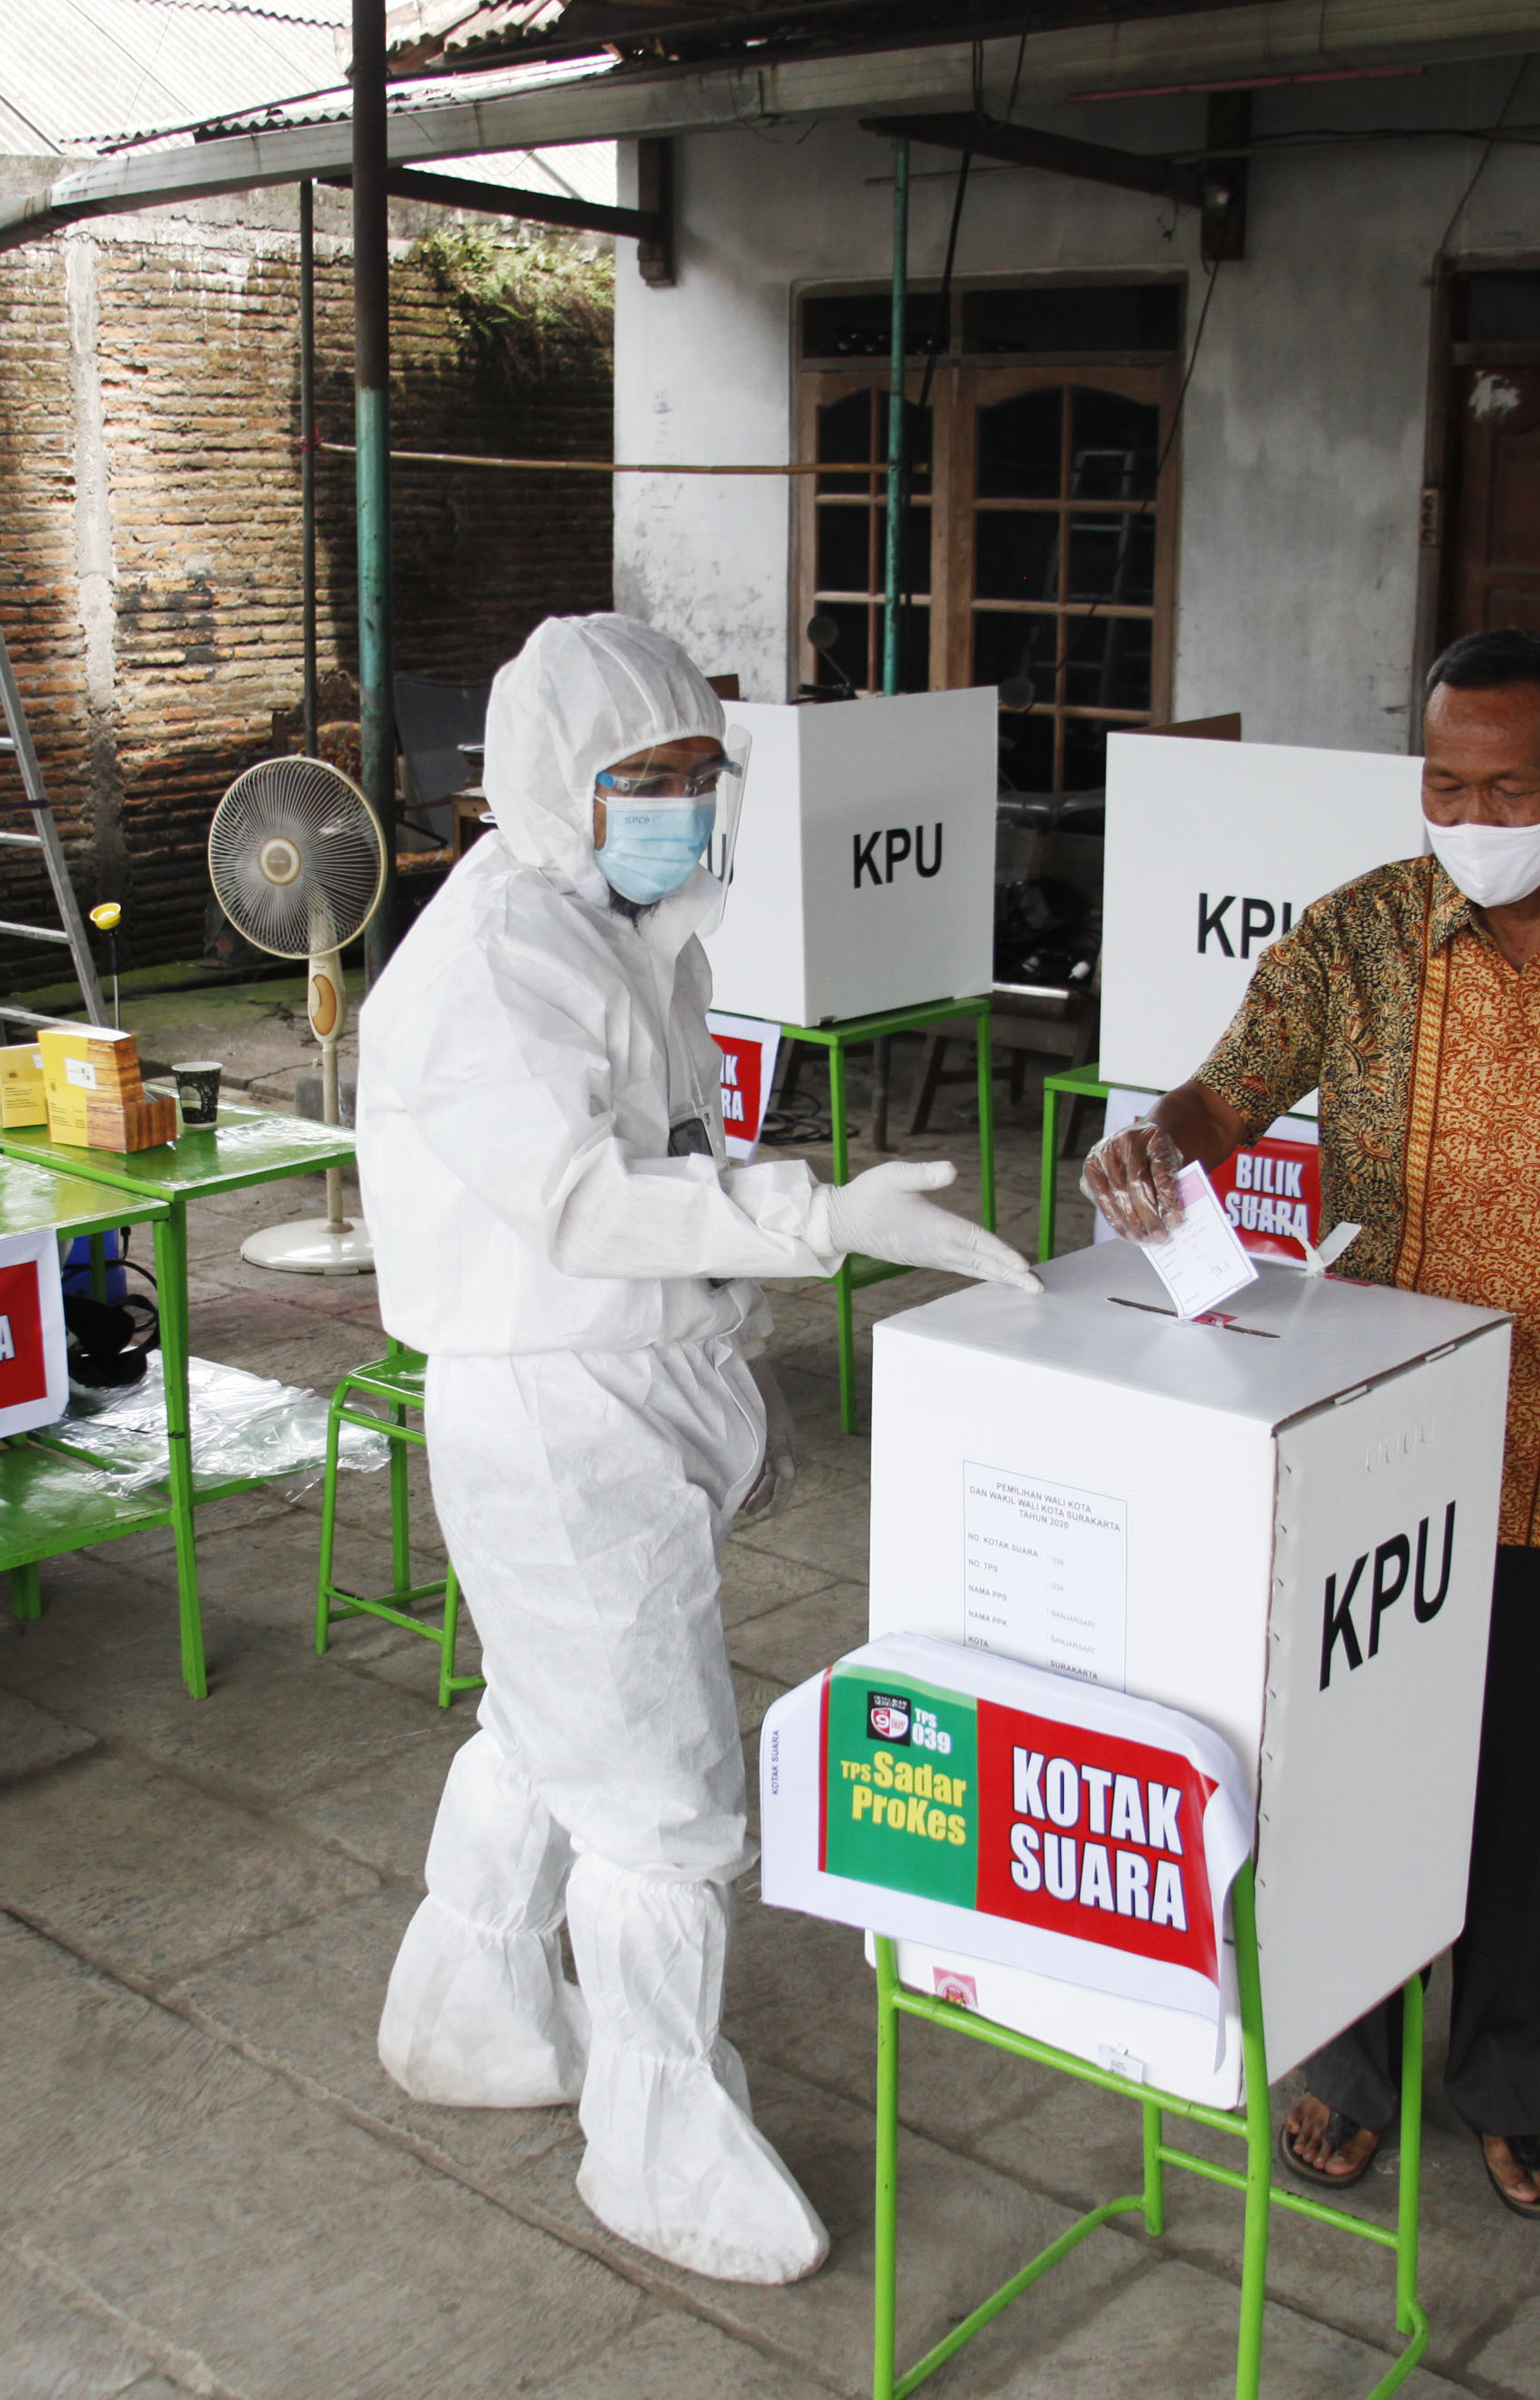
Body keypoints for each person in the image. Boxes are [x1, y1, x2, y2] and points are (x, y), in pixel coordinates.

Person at [361, 613, 1040, 2285]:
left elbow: (671, 1162)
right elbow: (588, 1204)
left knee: (549, 1721)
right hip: (553, 1404)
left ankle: (472, 2005)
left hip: (620, 1381)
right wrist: (813, 1219)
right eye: (642, 777)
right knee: (663, 1802)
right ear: (551, 779)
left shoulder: (628, 928)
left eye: (695, 771)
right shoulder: (493, 961)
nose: (680, 804)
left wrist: (727, 1363)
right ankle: (657, 2137)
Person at [1083, 627, 1540, 2221]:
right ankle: (1349, 2065)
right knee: (1355, 1761)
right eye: (1445, 784)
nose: (1473, 817)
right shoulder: (1358, 937)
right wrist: (1158, 1143)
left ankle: (1520, 2080)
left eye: (1510, 788)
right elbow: (1227, 1091)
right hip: (1383, 1447)